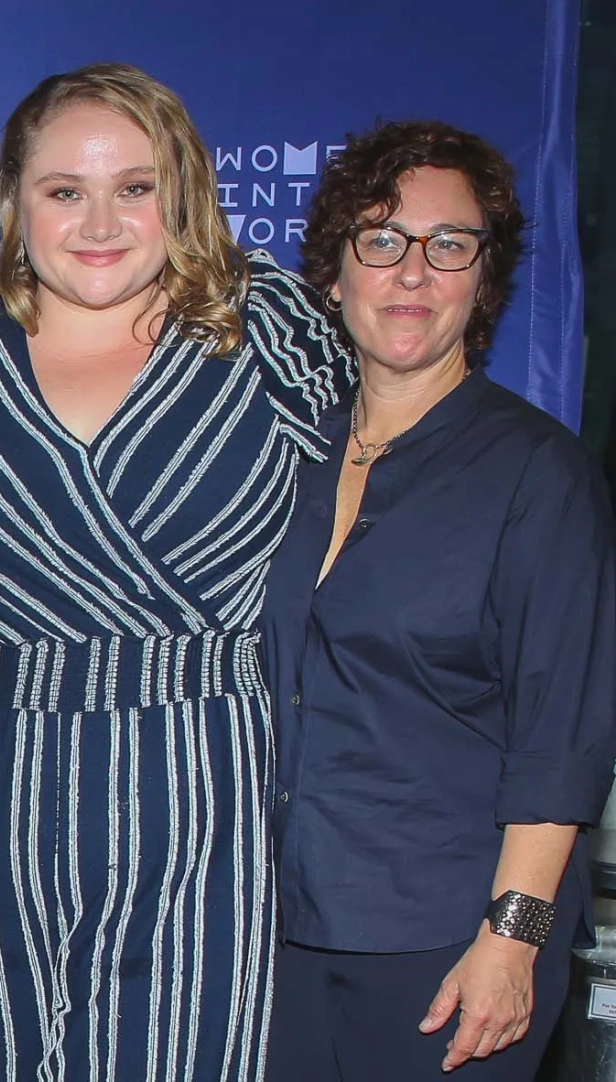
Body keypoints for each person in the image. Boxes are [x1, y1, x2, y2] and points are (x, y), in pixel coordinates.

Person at [0, 63, 350, 1080]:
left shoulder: (271, 333)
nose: (100, 221)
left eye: (134, 187)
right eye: (64, 191)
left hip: (195, 776)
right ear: (11, 200)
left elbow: (399, 536)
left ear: (180, 194)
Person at [263, 120, 616, 1081]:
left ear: (483, 279)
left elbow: (563, 744)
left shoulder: (538, 474)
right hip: (272, 940)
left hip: (452, 950)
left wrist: (514, 940)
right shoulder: (281, 455)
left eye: (448, 245)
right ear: (335, 275)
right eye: (381, 241)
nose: (412, 272)